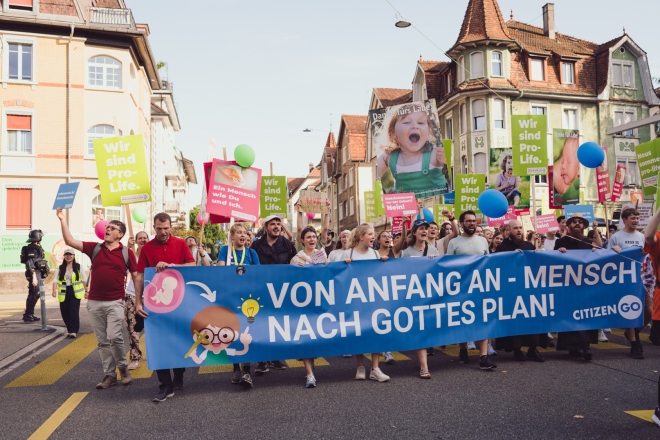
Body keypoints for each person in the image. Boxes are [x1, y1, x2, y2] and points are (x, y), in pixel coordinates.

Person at [56, 207, 136, 389]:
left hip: (115, 301)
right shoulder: (95, 248)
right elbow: (69, 241)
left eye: (113, 228)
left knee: (115, 336)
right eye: (107, 227)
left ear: (120, 234)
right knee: (102, 341)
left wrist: (138, 300)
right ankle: (110, 374)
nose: (108, 229)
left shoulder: (126, 253)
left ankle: (123, 368)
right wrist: (62, 219)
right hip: (94, 302)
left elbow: (137, 276)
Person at [134, 213, 195, 402]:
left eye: (166, 228)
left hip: (180, 303)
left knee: (179, 340)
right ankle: (165, 386)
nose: (163, 232)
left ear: (171, 227)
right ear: (154, 228)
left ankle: (179, 374)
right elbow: (139, 276)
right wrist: (138, 302)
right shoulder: (146, 248)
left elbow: (192, 265)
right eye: (159, 229)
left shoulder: (180, 244)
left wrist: (172, 266)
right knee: (158, 343)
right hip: (156, 305)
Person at [446, 210, 497, 370]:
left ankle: (483, 357)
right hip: (461, 288)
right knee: (462, 320)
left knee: (483, 319)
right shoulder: (454, 242)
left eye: (474, 221)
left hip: (481, 288)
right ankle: (463, 350)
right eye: (468, 221)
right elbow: (447, 266)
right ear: (462, 224)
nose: (472, 223)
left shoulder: (483, 241)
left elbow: (488, 262)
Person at [341, 224, 391, 382]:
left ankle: (375, 368)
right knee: (359, 332)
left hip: (373, 299)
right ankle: (360, 366)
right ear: (361, 237)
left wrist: (383, 262)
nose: (373, 237)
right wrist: (344, 266)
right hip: (356, 300)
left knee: (375, 331)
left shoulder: (375, 253)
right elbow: (340, 278)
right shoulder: (348, 254)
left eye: (373, 234)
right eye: (370, 234)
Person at [494, 220, 547, 362]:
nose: (518, 230)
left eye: (520, 228)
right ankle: (517, 350)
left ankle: (533, 349)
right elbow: (498, 266)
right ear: (509, 230)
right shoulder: (502, 247)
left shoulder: (528, 245)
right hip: (512, 290)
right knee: (515, 320)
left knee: (533, 319)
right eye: (515, 228)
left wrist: (537, 255)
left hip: (529, 290)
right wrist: (510, 256)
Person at [251, 214, 296, 375]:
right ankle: (262, 361)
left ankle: (275, 357)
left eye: (278, 224)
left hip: (281, 292)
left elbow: (295, 262)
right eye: (272, 224)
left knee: (277, 325)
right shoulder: (256, 245)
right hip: (262, 292)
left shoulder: (287, 244)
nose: (276, 226)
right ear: (265, 228)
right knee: (262, 325)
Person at [217, 223, 260, 387]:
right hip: (230, 297)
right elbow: (220, 270)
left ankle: (247, 371)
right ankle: (235, 367)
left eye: (245, 233)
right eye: (239, 233)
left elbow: (259, 273)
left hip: (247, 299)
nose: (243, 235)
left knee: (246, 333)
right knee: (232, 332)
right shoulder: (225, 251)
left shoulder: (252, 253)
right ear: (232, 236)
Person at [554, 213, 601, 361]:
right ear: (569, 225)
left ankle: (585, 346)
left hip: (585, 286)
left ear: (584, 226)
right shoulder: (561, 242)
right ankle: (574, 347)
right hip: (568, 285)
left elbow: (599, 254)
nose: (577, 224)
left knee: (585, 315)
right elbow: (552, 262)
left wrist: (595, 252)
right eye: (574, 221)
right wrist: (558, 253)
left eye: (580, 222)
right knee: (571, 315)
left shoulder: (588, 243)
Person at [376, 103, 447, 196]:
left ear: (429, 132)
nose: (415, 126)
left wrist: (446, 160)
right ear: (393, 133)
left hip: (434, 200)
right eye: (407, 122)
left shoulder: (435, 153)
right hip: (405, 202)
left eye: (420, 123)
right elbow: (375, 179)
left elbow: (450, 170)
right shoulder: (389, 158)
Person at [400, 219, 441, 377]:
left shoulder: (434, 250)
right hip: (415, 297)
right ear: (414, 232)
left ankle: (422, 359)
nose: (424, 231)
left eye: (426, 228)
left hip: (430, 296)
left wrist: (434, 262)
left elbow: (440, 272)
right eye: (421, 229)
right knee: (419, 329)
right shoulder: (407, 252)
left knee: (427, 329)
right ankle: (424, 366)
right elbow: (401, 274)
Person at [291, 225, 327, 387]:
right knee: (306, 337)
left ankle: (311, 364)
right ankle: (309, 374)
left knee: (316, 337)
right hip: (303, 303)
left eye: (314, 236)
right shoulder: (296, 259)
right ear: (302, 240)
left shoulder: (322, 256)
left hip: (319, 302)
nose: (312, 239)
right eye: (308, 237)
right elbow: (289, 281)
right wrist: (295, 270)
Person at [609, 208, 645, 359]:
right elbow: (606, 258)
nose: (636, 220)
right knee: (630, 311)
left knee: (649, 311)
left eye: (637, 218)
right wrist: (613, 250)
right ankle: (634, 344)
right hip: (625, 281)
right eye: (632, 218)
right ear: (624, 220)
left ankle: (634, 332)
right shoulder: (616, 237)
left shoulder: (642, 236)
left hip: (642, 279)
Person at [125, 231, 149, 369]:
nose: (143, 240)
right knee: (132, 327)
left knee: (153, 326)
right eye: (140, 238)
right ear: (136, 241)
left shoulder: (152, 254)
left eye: (145, 238)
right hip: (132, 294)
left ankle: (156, 353)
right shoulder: (131, 256)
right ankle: (135, 357)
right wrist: (127, 247)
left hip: (152, 295)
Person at [52, 247, 87, 338]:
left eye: (70, 255)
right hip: (63, 292)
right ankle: (69, 329)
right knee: (64, 312)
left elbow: (84, 279)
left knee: (73, 311)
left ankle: (73, 331)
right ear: (64, 256)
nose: (68, 256)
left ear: (73, 256)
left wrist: (87, 290)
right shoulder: (61, 268)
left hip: (75, 292)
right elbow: (55, 280)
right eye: (66, 255)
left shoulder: (78, 267)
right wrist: (54, 290)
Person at [21, 229, 44, 322]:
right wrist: (34, 276)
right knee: (35, 293)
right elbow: (30, 263)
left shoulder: (36, 247)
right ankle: (28, 314)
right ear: (38, 237)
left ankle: (30, 313)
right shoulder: (31, 248)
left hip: (36, 273)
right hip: (33, 273)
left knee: (33, 293)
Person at [553, 135, 580, 204]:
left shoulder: (576, 184)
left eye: (568, 162)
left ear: (579, 169)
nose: (563, 166)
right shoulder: (565, 186)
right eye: (562, 162)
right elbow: (554, 173)